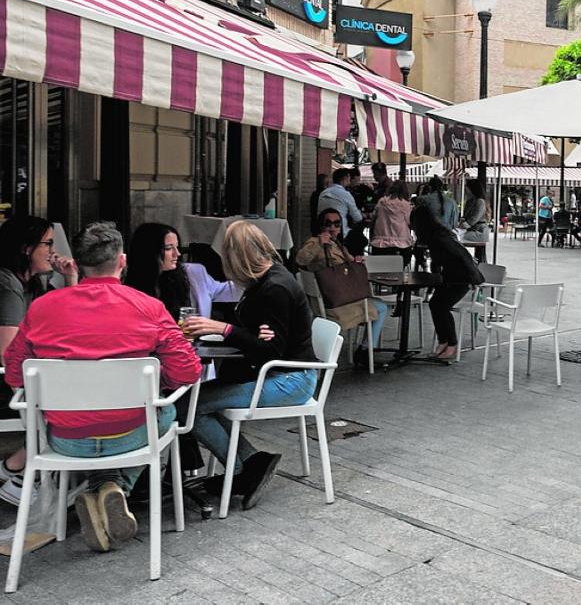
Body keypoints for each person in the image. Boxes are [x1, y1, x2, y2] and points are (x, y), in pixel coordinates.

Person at [4, 221, 201, 552]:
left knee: (115, 417)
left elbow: (14, 373)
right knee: (163, 411)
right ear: (121, 262)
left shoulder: (42, 308)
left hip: (64, 441)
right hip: (133, 434)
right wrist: (157, 381)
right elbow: (187, 372)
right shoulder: (149, 307)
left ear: (78, 264)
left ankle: (100, 488)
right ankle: (115, 486)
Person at [185, 221, 317, 511]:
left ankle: (243, 470)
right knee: (198, 402)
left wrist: (224, 329)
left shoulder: (275, 288)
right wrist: (243, 333)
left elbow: (271, 349)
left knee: (190, 406)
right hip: (280, 373)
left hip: (289, 379)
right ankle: (252, 464)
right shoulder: (268, 281)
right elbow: (259, 337)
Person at [0, 216, 79, 506]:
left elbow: (66, 318)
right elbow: (7, 353)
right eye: (47, 244)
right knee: (69, 398)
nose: (53, 251)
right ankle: (22, 479)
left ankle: (16, 466)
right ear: (25, 248)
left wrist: (70, 279)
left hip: (19, 377)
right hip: (7, 381)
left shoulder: (32, 283)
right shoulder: (7, 284)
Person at [296, 209, 387, 361]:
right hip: (336, 304)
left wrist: (355, 261)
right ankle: (365, 351)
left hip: (337, 299)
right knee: (382, 307)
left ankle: (366, 349)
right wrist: (319, 243)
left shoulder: (337, 244)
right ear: (321, 226)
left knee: (380, 306)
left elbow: (349, 262)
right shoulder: (316, 242)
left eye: (337, 223)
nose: (333, 227)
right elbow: (300, 259)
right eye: (328, 223)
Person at [124, 223, 240, 321]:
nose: (177, 254)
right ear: (149, 251)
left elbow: (231, 291)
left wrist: (249, 265)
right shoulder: (127, 285)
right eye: (168, 248)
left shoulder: (193, 273)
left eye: (177, 247)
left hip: (190, 343)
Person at [411, 204, 483, 361]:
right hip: (451, 276)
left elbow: (463, 255)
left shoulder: (440, 238)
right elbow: (438, 261)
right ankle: (443, 341)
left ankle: (451, 343)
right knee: (435, 305)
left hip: (462, 277)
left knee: (441, 306)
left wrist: (474, 278)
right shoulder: (436, 236)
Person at [371, 180, 414, 267]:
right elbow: (409, 222)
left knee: (380, 270)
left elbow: (373, 217)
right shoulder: (406, 205)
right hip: (402, 244)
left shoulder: (381, 202)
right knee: (399, 269)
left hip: (380, 243)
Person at [318, 167, 364, 242]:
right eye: (349, 177)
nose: (350, 179)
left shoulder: (323, 193)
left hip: (323, 232)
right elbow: (357, 218)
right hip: (340, 234)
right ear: (345, 178)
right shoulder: (345, 194)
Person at [460, 179, 489, 262]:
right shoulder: (470, 201)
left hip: (479, 231)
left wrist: (462, 226)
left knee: (456, 237)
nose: (465, 189)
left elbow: (473, 219)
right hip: (471, 229)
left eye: (467, 187)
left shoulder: (480, 202)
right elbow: (465, 217)